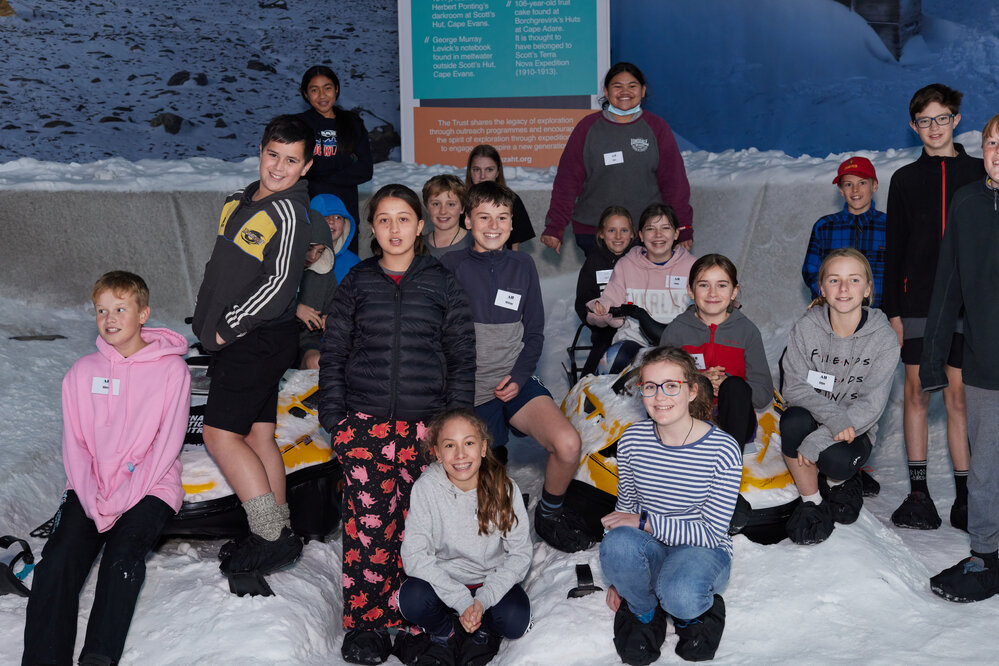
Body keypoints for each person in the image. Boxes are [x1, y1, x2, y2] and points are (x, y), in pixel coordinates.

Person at [318, 184, 475, 665]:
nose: (394, 229)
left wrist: (451, 428)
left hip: (424, 432)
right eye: (383, 219)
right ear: (372, 228)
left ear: (421, 225)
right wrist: (336, 420)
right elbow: (334, 355)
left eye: (403, 218)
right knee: (369, 530)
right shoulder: (358, 283)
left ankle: (415, 621)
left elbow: (461, 358)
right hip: (364, 427)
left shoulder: (442, 283)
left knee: (418, 532)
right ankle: (366, 625)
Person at [22, 271, 190, 666]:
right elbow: (75, 444)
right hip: (90, 485)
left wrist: (125, 496)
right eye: (101, 310)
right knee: (59, 559)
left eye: (120, 309)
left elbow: (166, 444)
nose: (109, 318)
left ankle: (98, 658)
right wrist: (92, 493)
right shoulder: (82, 372)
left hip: (150, 485)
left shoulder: (171, 372)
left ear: (143, 313)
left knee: (121, 559)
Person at [192, 114, 315, 576]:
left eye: (291, 161)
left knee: (219, 435)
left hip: (255, 338)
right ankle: (277, 530)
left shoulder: (289, 213)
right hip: (243, 336)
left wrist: (227, 328)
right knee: (259, 435)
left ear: (305, 168)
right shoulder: (238, 201)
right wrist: (207, 318)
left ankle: (268, 535)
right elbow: (221, 266)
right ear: (261, 150)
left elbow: (281, 285)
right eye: (273, 155)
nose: (279, 168)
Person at [441, 181, 591, 553]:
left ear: (512, 224)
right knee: (481, 487)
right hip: (469, 390)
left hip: (516, 380)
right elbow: (436, 338)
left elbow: (535, 334)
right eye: (484, 217)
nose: (493, 225)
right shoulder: (448, 266)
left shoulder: (523, 264)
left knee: (568, 444)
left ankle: (550, 513)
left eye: (502, 217)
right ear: (467, 219)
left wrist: (519, 376)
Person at [883, 83, 985, 531]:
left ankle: (965, 498)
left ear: (957, 119)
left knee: (960, 396)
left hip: (968, 304)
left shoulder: (982, 173)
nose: (934, 127)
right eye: (925, 121)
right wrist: (893, 310)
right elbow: (895, 248)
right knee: (917, 393)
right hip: (919, 300)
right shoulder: (904, 180)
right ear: (913, 126)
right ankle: (919, 494)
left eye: (942, 118)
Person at [600, 346, 740, 664]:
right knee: (617, 545)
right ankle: (644, 613)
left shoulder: (722, 449)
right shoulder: (633, 440)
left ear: (691, 390)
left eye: (671, 386)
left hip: (702, 550)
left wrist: (645, 522)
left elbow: (711, 534)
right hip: (651, 545)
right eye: (650, 386)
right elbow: (626, 508)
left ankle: (693, 614)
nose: (660, 397)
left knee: (680, 594)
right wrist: (621, 579)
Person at [922, 115, 999, 602]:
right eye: (992, 142)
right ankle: (987, 556)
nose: (998, 151)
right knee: (988, 464)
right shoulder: (968, 202)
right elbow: (947, 284)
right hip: (987, 363)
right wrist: (932, 359)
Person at [780, 249, 900, 545]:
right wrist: (831, 420)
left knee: (835, 459)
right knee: (792, 421)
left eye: (854, 280)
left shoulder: (883, 339)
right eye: (834, 280)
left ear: (868, 288)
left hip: (856, 428)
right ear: (821, 288)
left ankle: (846, 478)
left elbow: (871, 406)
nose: (844, 289)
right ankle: (812, 501)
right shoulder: (807, 328)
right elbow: (793, 387)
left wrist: (820, 440)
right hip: (818, 417)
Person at [399, 408, 532, 666]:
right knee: (411, 600)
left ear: (483, 448)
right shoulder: (426, 489)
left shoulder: (504, 488)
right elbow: (414, 556)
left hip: (489, 583)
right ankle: (444, 632)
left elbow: (519, 554)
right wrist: (461, 601)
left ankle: (482, 632)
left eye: (469, 443)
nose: (460, 455)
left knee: (516, 620)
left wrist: (482, 601)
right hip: (443, 583)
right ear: (437, 452)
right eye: (450, 445)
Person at [541, 62, 692, 257]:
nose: (625, 92)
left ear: (643, 91)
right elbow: (567, 182)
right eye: (617, 86)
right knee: (602, 288)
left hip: (646, 234)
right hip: (595, 233)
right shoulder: (587, 128)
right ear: (606, 91)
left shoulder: (657, 128)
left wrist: (684, 227)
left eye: (632, 86)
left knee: (641, 288)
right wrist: (555, 227)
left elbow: (675, 183)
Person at [660, 254, 772, 451]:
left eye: (722, 285)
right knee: (696, 382)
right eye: (703, 285)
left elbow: (763, 393)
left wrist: (728, 384)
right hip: (688, 420)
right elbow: (659, 383)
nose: (712, 293)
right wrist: (697, 381)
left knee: (735, 385)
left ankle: (730, 458)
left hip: (735, 424)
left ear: (734, 291)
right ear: (690, 290)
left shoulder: (747, 331)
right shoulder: (676, 331)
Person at [585, 203, 697, 368]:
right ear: (641, 235)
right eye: (650, 229)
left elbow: (707, 298)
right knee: (613, 359)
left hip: (681, 341)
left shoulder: (692, 267)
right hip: (634, 340)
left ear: (676, 234)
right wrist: (601, 307)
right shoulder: (627, 265)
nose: (658, 235)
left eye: (665, 228)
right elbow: (611, 297)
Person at [296, 65, 373, 255]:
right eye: (314, 90)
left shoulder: (353, 123)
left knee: (346, 272)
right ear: (306, 94)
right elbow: (299, 168)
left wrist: (317, 171)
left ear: (337, 89)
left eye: (327, 88)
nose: (322, 95)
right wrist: (345, 160)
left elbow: (365, 170)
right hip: (310, 212)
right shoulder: (298, 125)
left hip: (345, 215)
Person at [801, 156, 887, 308]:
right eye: (848, 184)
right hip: (834, 315)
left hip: (880, 314)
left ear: (874, 186)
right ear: (841, 190)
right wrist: (827, 298)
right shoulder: (824, 227)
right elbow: (811, 270)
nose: (855, 190)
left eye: (862, 183)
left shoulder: (890, 225)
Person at [574, 206, 637, 376]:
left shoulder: (640, 259)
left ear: (633, 234)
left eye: (624, 230)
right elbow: (583, 298)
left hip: (640, 329)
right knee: (594, 370)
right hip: (606, 333)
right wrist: (594, 307)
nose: (618, 236)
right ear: (602, 234)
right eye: (611, 230)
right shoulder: (594, 261)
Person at [464, 144, 536, 250]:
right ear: (470, 172)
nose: (482, 176)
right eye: (476, 170)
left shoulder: (512, 200)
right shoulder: (460, 202)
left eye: (489, 170)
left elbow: (514, 245)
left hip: (503, 263)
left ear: (498, 172)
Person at [295, 209, 336, 370]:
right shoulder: (278, 268)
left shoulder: (325, 274)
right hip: (273, 339)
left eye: (320, 251)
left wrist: (329, 320)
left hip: (306, 342)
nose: (313, 257)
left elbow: (336, 309)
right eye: (309, 248)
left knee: (317, 362)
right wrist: (295, 309)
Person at [311, 193, 361, 284]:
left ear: (345, 224)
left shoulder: (354, 263)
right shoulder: (300, 259)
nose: (331, 221)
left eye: (338, 217)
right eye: (325, 216)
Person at [422, 174, 472, 258]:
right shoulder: (418, 246)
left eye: (451, 204)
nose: (443, 211)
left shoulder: (475, 244)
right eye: (436, 204)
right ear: (427, 207)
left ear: (462, 208)